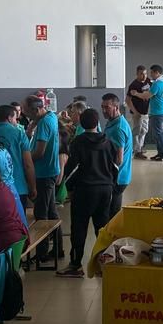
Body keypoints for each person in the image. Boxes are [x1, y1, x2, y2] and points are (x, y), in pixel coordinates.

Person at [59, 108, 115, 278]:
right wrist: (111, 184)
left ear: (81, 123)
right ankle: (103, 265)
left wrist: (69, 187)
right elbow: (115, 166)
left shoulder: (78, 142)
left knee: (79, 228)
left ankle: (75, 265)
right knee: (102, 228)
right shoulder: (107, 142)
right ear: (97, 122)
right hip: (105, 189)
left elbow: (72, 168)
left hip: (84, 190)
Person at [26, 93, 62, 238]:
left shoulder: (44, 123)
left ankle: (42, 250)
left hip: (44, 173)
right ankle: (58, 248)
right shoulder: (51, 116)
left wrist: (26, 161)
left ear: (36, 110)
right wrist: (31, 128)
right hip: (50, 170)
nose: (26, 116)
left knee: (41, 213)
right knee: (52, 211)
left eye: (28, 112)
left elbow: (40, 152)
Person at [0, 104, 36, 204]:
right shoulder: (19, 134)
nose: (17, 121)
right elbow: (28, 164)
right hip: (18, 186)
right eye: (15, 118)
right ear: (9, 118)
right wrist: (33, 186)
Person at [100, 92, 133, 217]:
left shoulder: (118, 128)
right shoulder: (112, 122)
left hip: (117, 177)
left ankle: (113, 234)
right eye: (102, 107)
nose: (103, 110)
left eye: (107, 107)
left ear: (116, 107)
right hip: (118, 176)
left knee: (112, 214)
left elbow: (118, 159)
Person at [146, 64, 163, 161]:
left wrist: (136, 94)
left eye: (152, 73)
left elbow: (147, 96)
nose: (151, 75)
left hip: (157, 113)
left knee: (159, 133)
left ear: (157, 73)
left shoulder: (157, 84)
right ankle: (161, 153)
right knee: (158, 133)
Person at [126, 65, 152, 156]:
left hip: (145, 112)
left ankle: (140, 148)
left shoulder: (148, 81)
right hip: (137, 112)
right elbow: (128, 100)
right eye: (141, 74)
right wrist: (135, 112)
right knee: (137, 130)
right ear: (137, 74)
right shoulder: (133, 85)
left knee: (144, 130)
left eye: (145, 73)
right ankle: (136, 151)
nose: (144, 76)